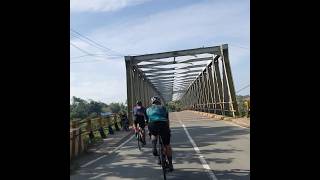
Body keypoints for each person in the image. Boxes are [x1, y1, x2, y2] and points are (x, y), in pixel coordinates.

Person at [146, 96, 173, 171]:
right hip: (163, 124)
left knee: (153, 134)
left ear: (152, 103)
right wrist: (168, 129)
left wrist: (149, 131)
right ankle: (170, 164)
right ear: (159, 102)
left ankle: (154, 145)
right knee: (167, 145)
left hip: (152, 125)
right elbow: (167, 120)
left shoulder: (148, 109)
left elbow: (148, 120)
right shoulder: (164, 108)